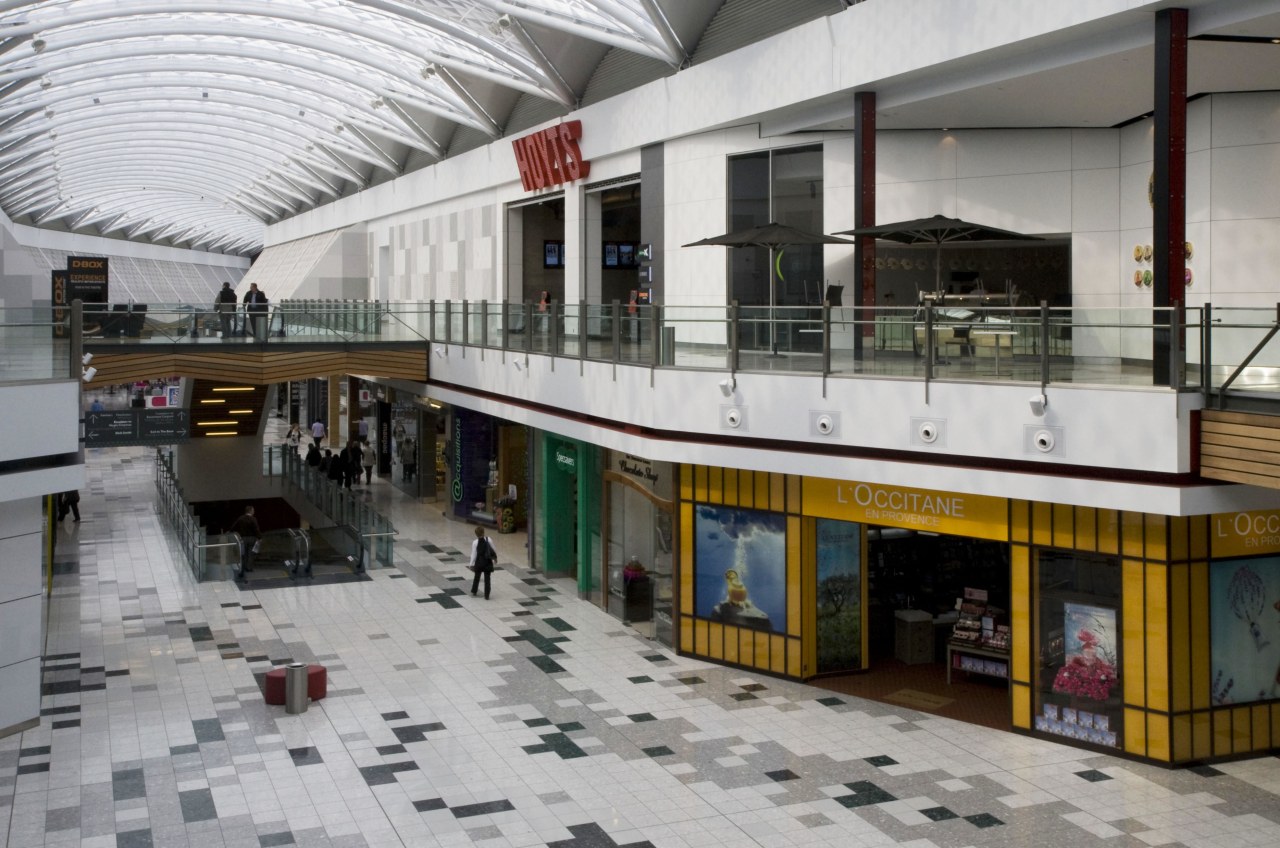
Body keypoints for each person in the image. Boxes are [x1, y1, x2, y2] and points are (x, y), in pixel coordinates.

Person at [229, 506, 260, 579]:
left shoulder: (241, 518)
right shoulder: (253, 519)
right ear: (250, 511)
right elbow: (256, 529)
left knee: (243, 554)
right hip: (252, 538)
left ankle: (243, 568)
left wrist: (230, 531)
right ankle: (249, 568)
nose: (254, 512)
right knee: (250, 553)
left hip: (243, 539)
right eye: (253, 510)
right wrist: (259, 537)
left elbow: (234, 526)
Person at [469, 525, 497, 599]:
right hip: (487, 562)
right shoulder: (489, 539)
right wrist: (494, 558)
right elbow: (493, 549)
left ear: (476, 534)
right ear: (483, 532)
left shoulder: (475, 542)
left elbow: (474, 554)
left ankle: (474, 590)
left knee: (477, 576)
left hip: (479, 562)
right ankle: (487, 595)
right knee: (487, 579)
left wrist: (471, 564)